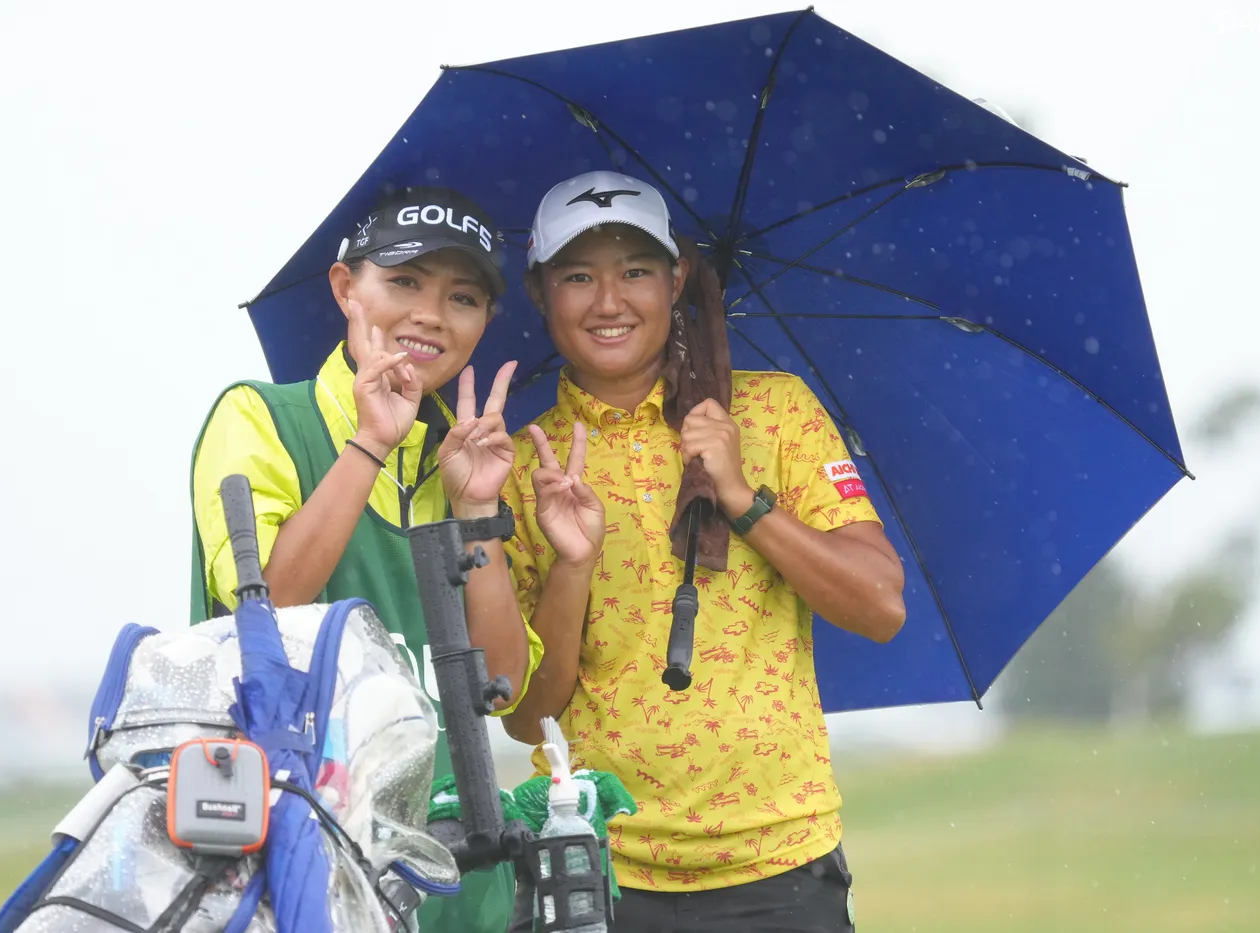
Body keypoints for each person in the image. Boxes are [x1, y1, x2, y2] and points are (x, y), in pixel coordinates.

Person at [500, 171, 907, 932]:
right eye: (578, 276)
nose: (609, 301)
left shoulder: (774, 410)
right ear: (538, 292)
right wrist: (574, 566)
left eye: (636, 271)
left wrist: (744, 499)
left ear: (678, 278)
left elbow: (880, 606)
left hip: (780, 862)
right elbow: (527, 717)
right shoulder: (522, 464)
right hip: (593, 862)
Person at [189, 185, 541, 933]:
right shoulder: (259, 417)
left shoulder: (467, 457)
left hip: (459, 879)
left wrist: (477, 511)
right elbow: (271, 607)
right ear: (346, 286)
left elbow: (502, 687)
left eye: (463, 297)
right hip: (297, 871)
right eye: (405, 281)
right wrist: (372, 439)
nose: (431, 314)